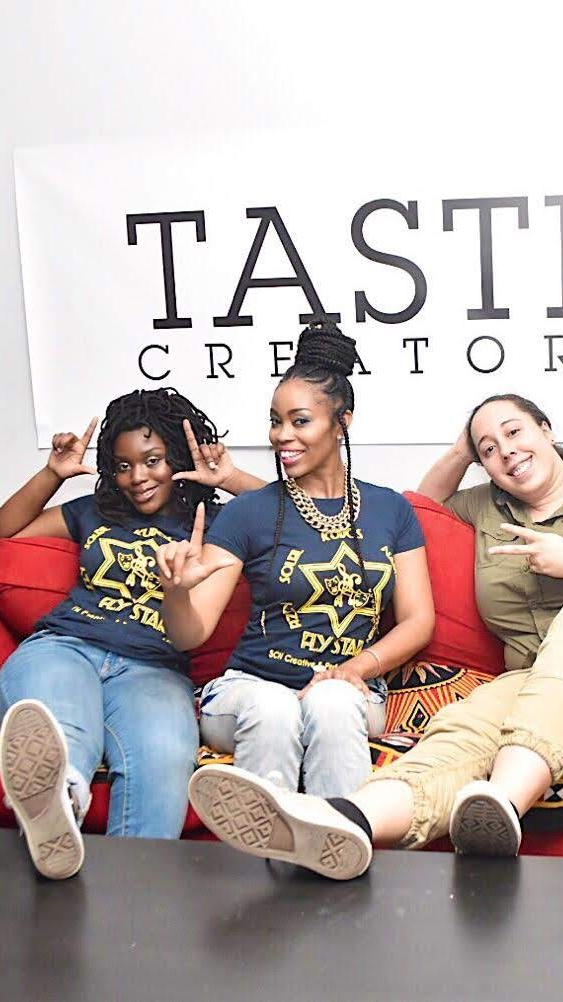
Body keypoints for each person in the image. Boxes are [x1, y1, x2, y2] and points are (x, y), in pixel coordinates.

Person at [184, 392, 563, 883]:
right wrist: (461, 451)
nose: (506, 452)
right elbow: (407, 510)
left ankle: (506, 799)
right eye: (489, 449)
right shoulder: (488, 505)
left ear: (546, 430)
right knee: (464, 725)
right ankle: (343, 821)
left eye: (515, 432)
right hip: (539, 685)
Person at [154, 322, 434, 806]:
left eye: (299, 421)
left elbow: (418, 620)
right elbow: (189, 635)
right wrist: (176, 591)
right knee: (275, 706)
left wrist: (354, 668)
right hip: (250, 691)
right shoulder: (249, 512)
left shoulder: (392, 510)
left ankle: (340, 840)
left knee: (331, 700)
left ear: (342, 422)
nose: (281, 436)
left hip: (350, 691)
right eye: (275, 421)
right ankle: (264, 844)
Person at [0, 389, 264, 879]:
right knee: (64, 732)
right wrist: (52, 474)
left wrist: (232, 479)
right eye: (123, 466)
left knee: (164, 759)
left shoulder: (218, 522)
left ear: (177, 458)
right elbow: (4, 531)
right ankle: (58, 804)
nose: (137, 478)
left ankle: (134, 893)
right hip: (67, 647)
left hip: (153, 670)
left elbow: (301, 520)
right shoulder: (93, 511)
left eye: (152, 461)